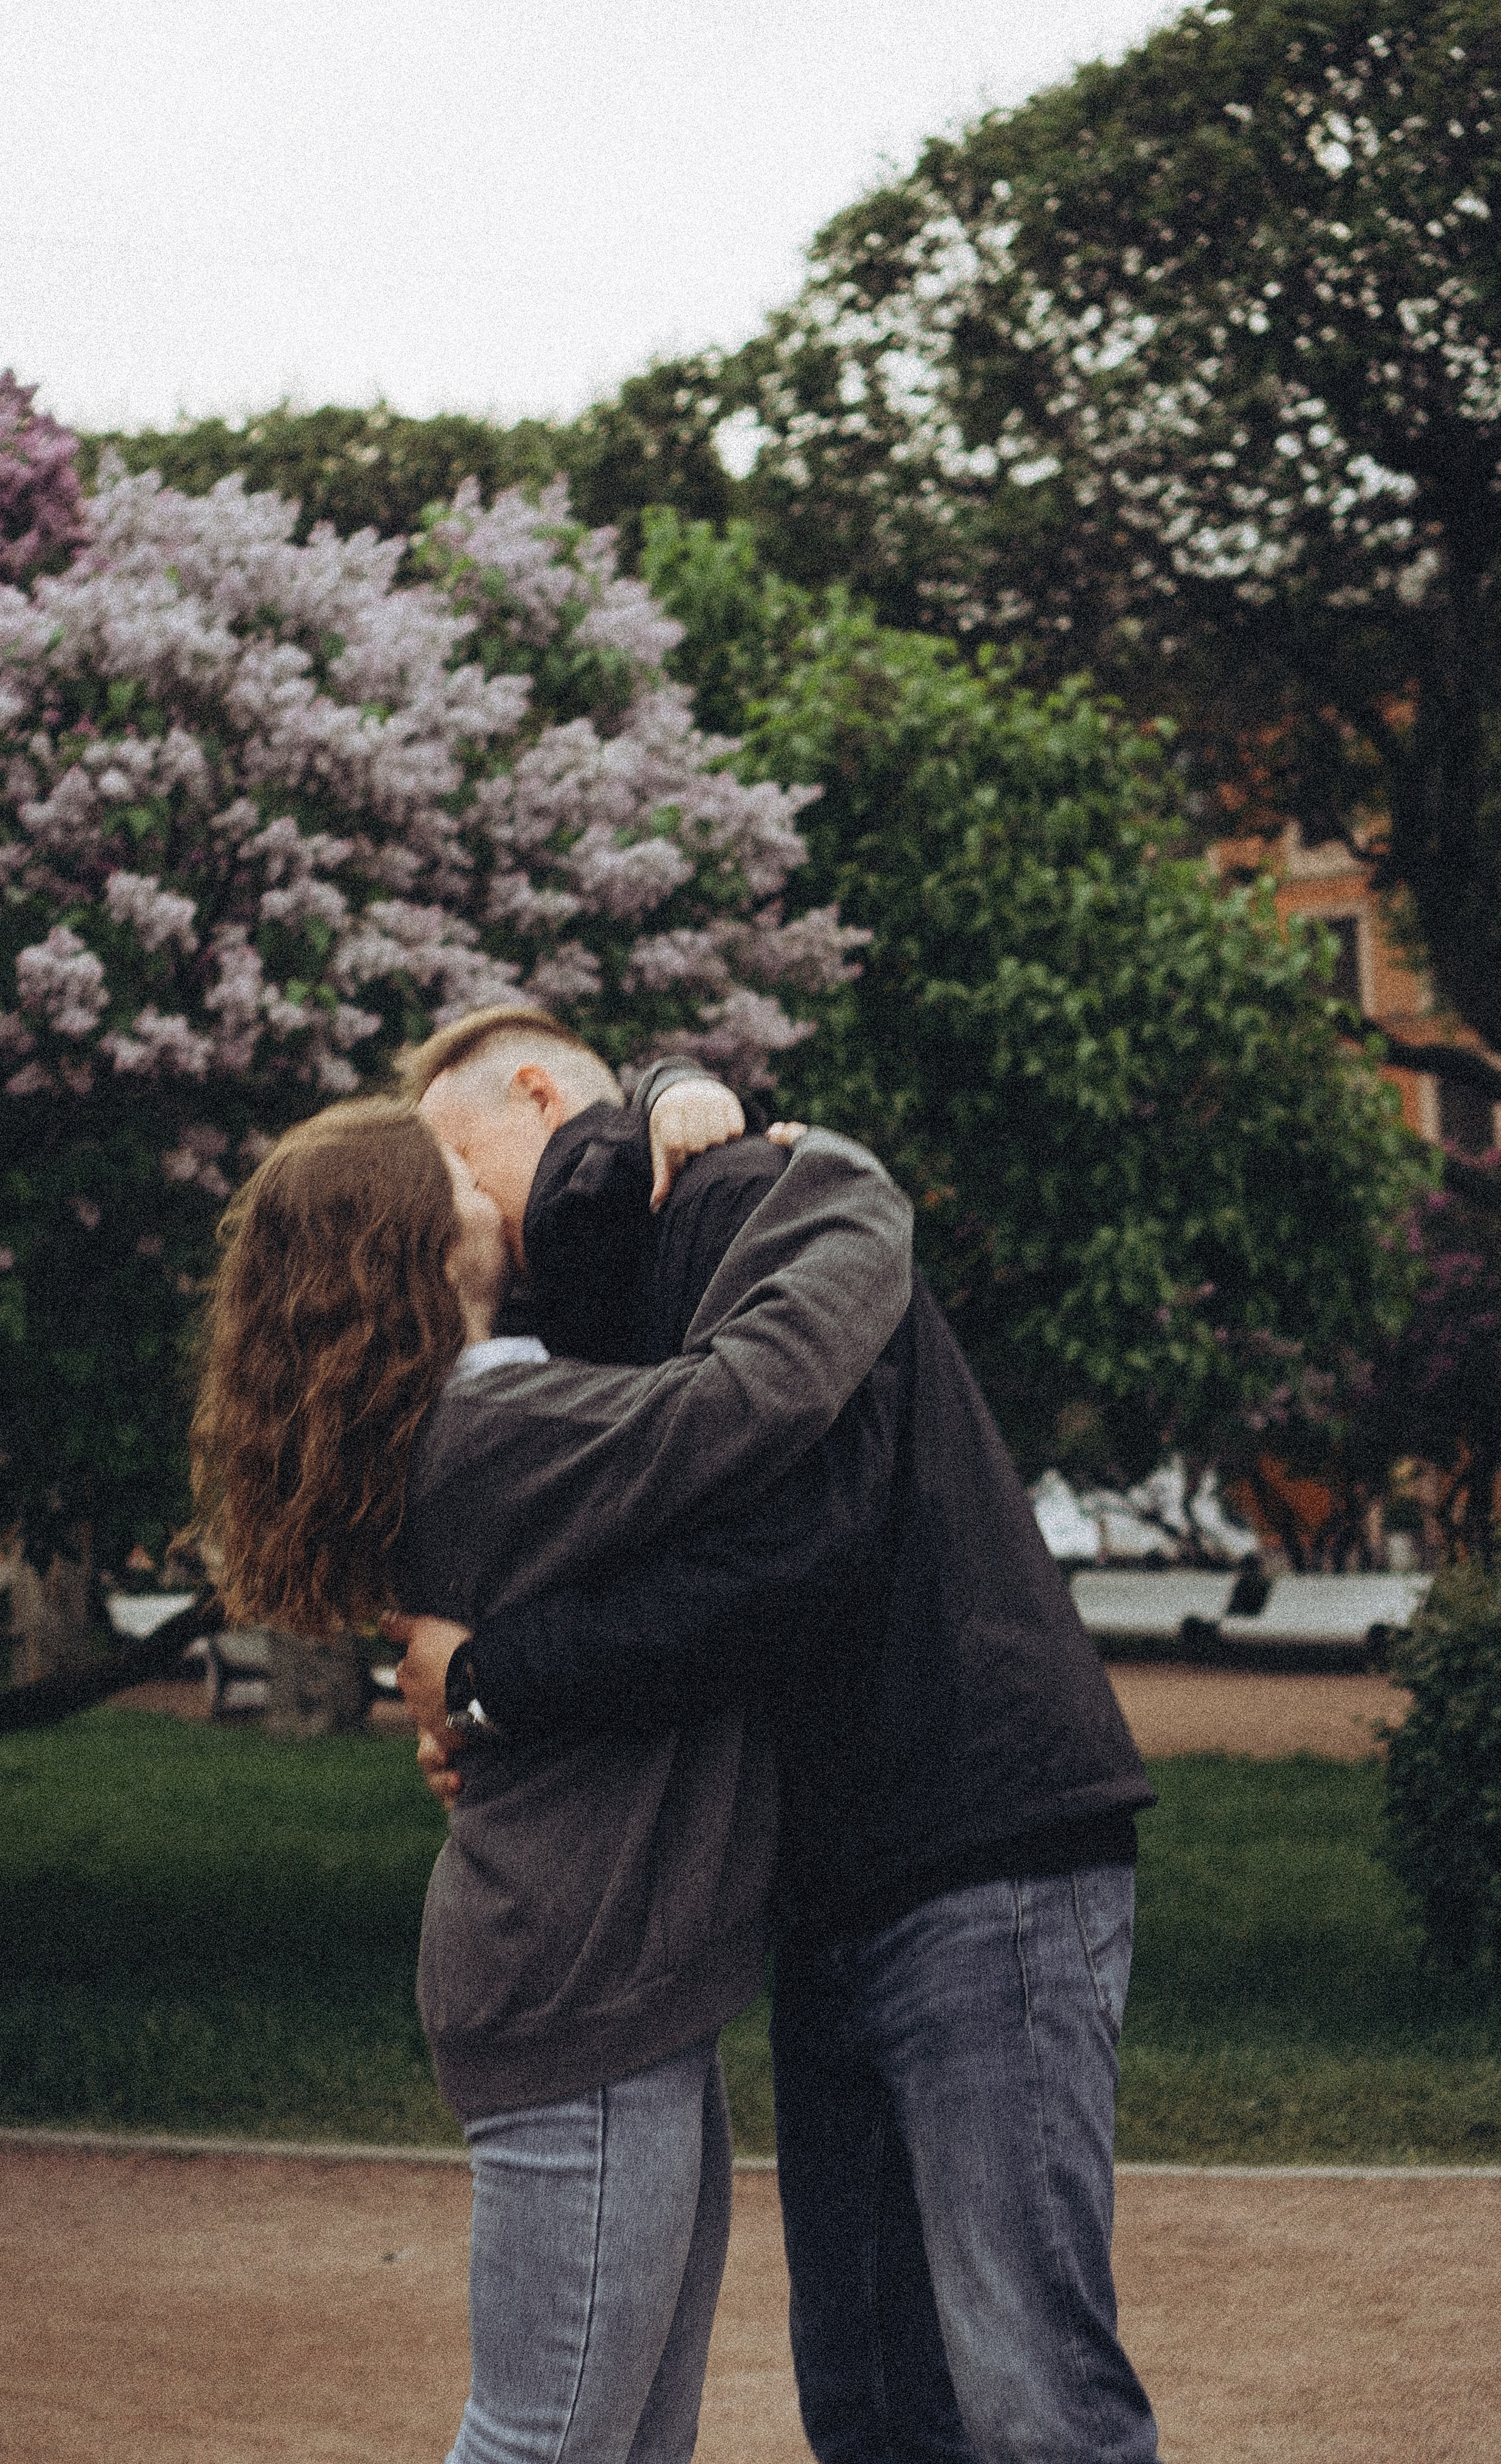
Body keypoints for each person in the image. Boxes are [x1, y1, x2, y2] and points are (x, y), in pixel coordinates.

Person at [391, 1006, 1162, 2464]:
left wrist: (494, 1679)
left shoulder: (735, 1195)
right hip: (829, 1880)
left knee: (1030, 2397)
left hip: (973, 1842)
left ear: (538, 1091)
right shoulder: (612, 1292)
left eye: (450, 1159)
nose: (451, 1207)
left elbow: (806, 1546)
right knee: (872, 2397)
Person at [189, 1089, 915, 2464]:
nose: (482, 1177)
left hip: (602, 1975)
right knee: (552, 2436)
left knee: (629, 2437)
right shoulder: (489, 1426)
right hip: (579, 1983)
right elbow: (751, 1396)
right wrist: (844, 1180)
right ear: (407, 1240)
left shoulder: (470, 1417)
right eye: (451, 1169)